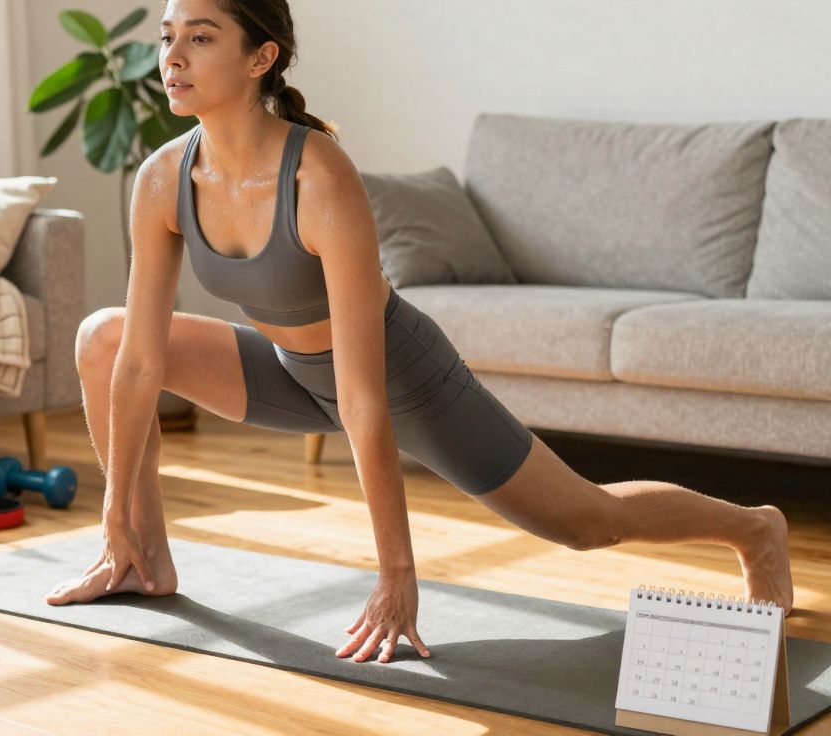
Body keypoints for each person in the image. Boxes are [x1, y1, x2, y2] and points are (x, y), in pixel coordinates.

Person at [45, 0, 794, 664]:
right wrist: (110, 519)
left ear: (259, 58)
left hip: (403, 379)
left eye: (200, 39)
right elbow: (140, 364)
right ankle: (140, 558)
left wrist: (397, 575)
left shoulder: (317, 177)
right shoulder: (162, 178)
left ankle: (754, 527)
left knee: (588, 522)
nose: (170, 58)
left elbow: (364, 398)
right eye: (167, 36)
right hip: (290, 372)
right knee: (103, 338)